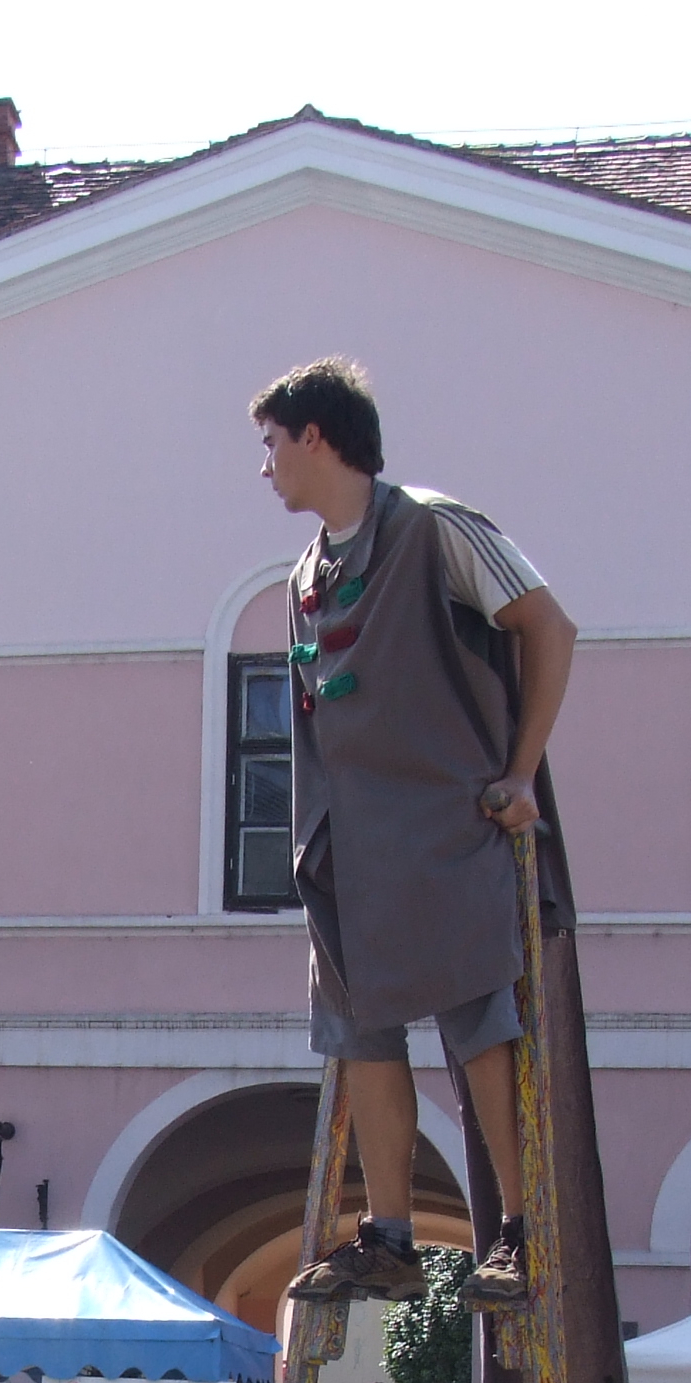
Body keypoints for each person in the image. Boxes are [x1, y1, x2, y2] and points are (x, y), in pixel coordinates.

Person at [253, 358, 576, 1313]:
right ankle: (389, 1238)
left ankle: (519, 1232)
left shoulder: (435, 527)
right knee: (362, 1035)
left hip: (444, 826)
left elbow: (549, 626)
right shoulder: (307, 571)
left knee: (480, 1024)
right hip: (345, 846)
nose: (264, 467)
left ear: (317, 437)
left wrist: (520, 771)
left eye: (271, 445)